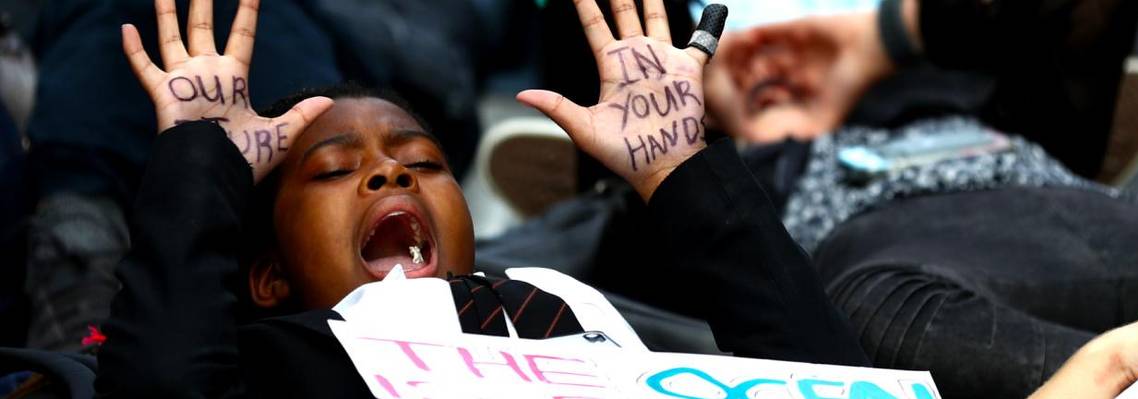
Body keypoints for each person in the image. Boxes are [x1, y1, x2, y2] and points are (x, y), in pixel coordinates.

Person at [95, 0, 869, 396]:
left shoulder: (572, 314)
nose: (390, 176)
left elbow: (843, 389)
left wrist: (681, 171)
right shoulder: (279, 363)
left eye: (424, 162)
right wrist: (199, 163)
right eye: (335, 171)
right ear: (268, 276)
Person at [685, 0, 1138, 397]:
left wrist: (886, 36)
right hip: (886, 238)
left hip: (1021, 171)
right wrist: (712, 116)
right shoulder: (724, 160)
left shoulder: (944, 65)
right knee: (881, 319)